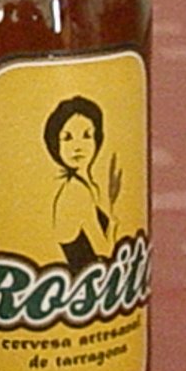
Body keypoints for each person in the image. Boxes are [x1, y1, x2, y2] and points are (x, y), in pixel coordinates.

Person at [43, 97, 116, 267]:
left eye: (86, 135)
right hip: (83, 279)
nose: (77, 146)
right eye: (67, 138)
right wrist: (113, 225)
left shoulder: (90, 186)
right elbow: (105, 251)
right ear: (55, 145)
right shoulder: (76, 192)